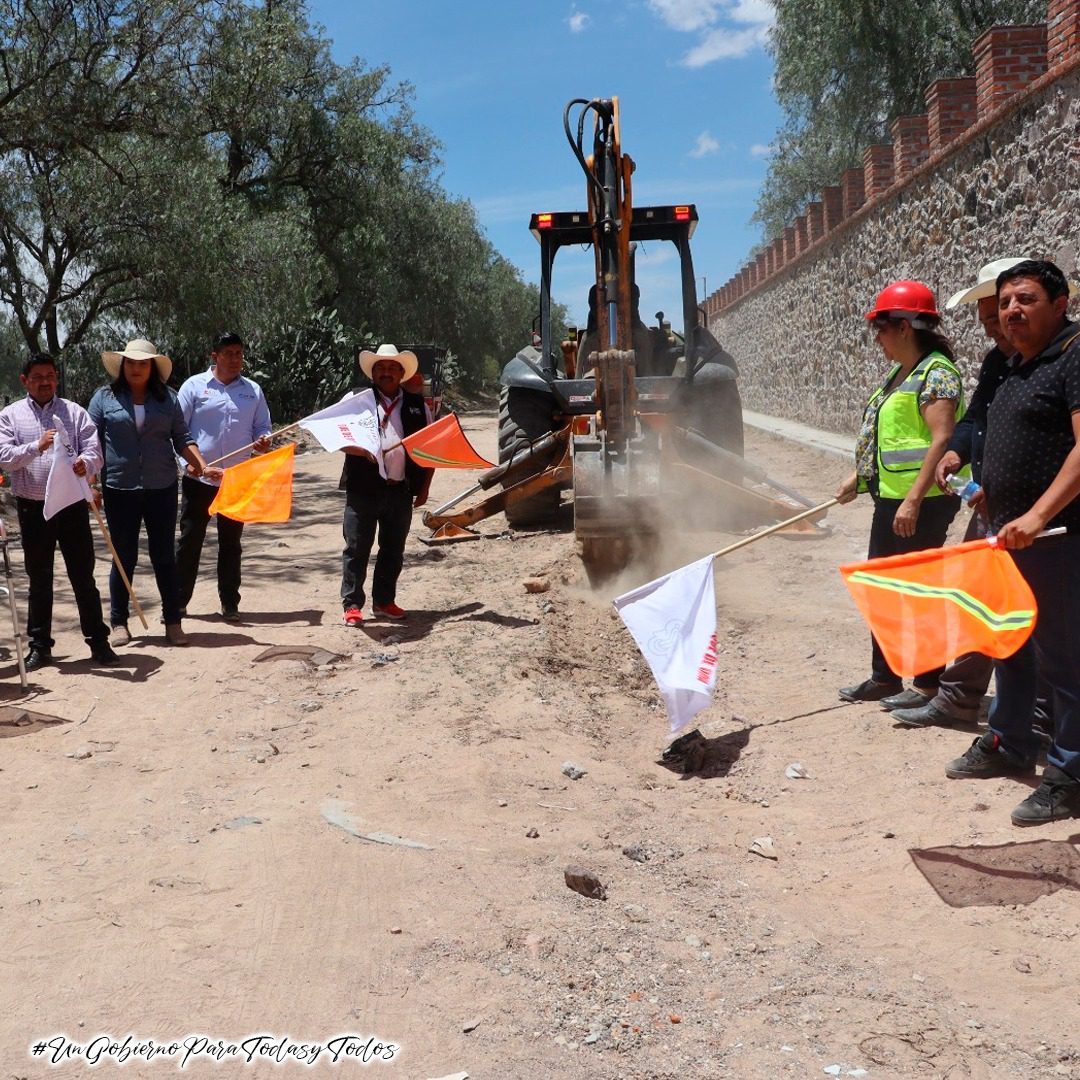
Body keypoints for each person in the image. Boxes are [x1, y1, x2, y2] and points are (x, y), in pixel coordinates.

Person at [943, 260, 1080, 826]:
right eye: (1004, 303)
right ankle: (1010, 741)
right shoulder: (1016, 364)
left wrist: (1037, 512)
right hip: (1010, 539)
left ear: (1061, 302)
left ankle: (1070, 774)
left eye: (1025, 299)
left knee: (1066, 660)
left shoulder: (1074, 355)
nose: (1011, 312)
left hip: (1057, 539)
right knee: (1010, 644)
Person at [889, 258, 1024, 727]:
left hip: (1038, 513)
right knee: (975, 597)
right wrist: (957, 455)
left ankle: (1041, 718)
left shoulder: (1064, 361)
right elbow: (974, 422)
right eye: (990, 317)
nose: (996, 326)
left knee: (1039, 615)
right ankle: (960, 696)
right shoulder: (996, 362)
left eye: (1005, 312)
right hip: (992, 504)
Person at [835, 280, 963, 703]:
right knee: (883, 589)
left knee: (920, 592)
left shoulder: (938, 373)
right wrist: (861, 476)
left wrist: (911, 499)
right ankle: (885, 677)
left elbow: (942, 440)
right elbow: (891, 437)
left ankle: (927, 684)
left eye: (882, 328)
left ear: (905, 327)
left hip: (922, 503)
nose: (878, 338)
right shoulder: (900, 373)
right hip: (890, 498)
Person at [89, 339, 213, 647]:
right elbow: (90, 443)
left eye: (142, 363)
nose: (136, 368)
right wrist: (90, 485)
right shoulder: (104, 398)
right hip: (119, 487)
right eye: (131, 363)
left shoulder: (168, 398)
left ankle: (173, 622)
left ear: (152, 368)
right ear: (123, 367)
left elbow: (182, 437)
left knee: (163, 557)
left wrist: (202, 466)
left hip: (162, 486)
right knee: (123, 556)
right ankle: (118, 622)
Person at [0, 353, 117, 670]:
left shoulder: (74, 413)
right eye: (37, 376)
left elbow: (95, 450)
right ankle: (40, 646)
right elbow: (5, 458)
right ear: (25, 380)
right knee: (39, 579)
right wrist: (36, 446)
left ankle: (98, 642)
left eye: (50, 375)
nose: (45, 381)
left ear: (57, 378)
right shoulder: (10, 416)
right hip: (32, 507)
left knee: (83, 575)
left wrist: (87, 464)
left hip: (72, 505)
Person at [176, 332, 272, 622]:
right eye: (228, 353)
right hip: (199, 479)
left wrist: (263, 440)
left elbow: (262, 427)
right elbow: (178, 432)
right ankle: (178, 603)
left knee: (231, 544)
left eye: (239, 353)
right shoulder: (193, 387)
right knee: (190, 540)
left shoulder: (252, 390)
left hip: (237, 479)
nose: (235, 359)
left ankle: (230, 603)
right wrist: (189, 464)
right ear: (214, 356)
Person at [339, 344, 432, 626]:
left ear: (402, 373)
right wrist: (363, 451)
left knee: (393, 549)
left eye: (393, 368)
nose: (386, 372)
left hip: (400, 489)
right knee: (357, 547)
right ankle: (352, 605)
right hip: (362, 489)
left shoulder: (418, 406)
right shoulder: (356, 400)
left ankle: (384, 602)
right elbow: (340, 438)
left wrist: (425, 487)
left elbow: (429, 449)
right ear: (373, 372)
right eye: (381, 367)